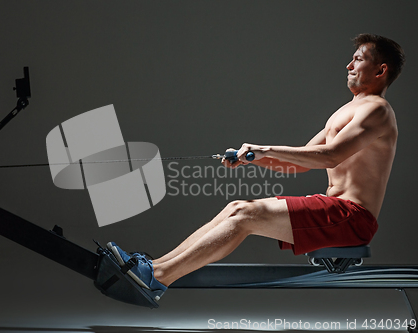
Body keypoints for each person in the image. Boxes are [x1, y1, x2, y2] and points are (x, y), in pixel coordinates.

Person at [108, 33, 406, 300]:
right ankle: (153, 267)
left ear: (381, 70)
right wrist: (253, 158)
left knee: (244, 214)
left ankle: (157, 279)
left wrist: (264, 149)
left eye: (358, 59)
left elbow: (329, 156)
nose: (348, 66)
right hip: (335, 209)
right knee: (236, 207)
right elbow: (302, 161)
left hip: (352, 218)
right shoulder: (350, 110)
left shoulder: (377, 110)